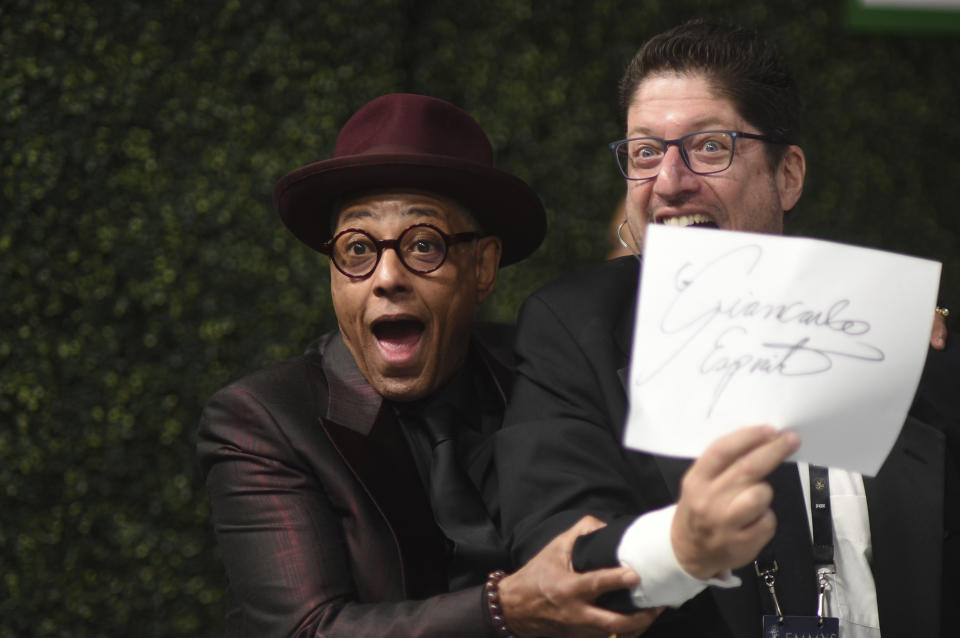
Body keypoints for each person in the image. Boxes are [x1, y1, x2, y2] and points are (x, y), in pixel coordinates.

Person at [496, 21, 958, 638]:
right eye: (644, 152)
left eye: (710, 146)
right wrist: (682, 547)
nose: (668, 180)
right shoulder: (574, 331)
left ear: (787, 176)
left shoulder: (898, 335)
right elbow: (557, 555)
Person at [197, 93, 660, 637]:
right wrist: (503, 609)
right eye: (356, 249)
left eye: (422, 245)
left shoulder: (540, 375)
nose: (387, 276)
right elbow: (306, 630)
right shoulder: (263, 420)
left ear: (484, 267)